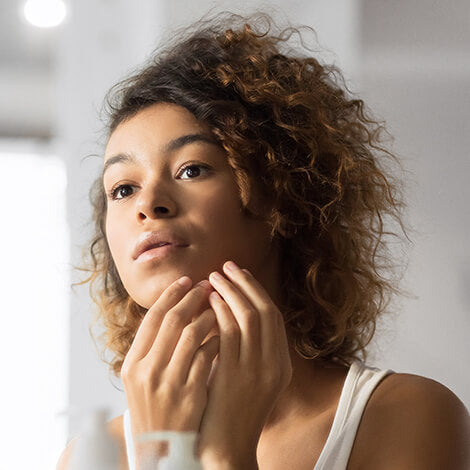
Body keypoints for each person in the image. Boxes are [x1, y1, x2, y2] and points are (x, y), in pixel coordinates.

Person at [57, 12, 470, 470]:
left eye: (191, 169)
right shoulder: (93, 457)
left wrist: (225, 456)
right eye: (122, 188)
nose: (148, 203)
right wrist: (160, 450)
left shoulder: (406, 415)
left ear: (282, 196)